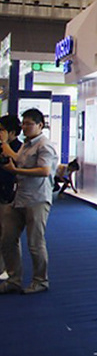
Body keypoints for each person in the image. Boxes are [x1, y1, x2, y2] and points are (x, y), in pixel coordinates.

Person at [0, 108, 58, 295]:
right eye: (23, 123)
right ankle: (13, 279)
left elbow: (44, 171)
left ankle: (40, 281)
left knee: (35, 243)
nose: (25, 127)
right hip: (20, 198)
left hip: (37, 199)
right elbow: (19, 160)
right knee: (8, 239)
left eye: (29, 124)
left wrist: (16, 171)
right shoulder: (26, 145)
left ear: (40, 125)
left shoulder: (45, 145)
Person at [0, 115, 23, 282]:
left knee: (9, 235)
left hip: (10, 196)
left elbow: (17, 166)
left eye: (2, 130)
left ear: (12, 132)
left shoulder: (19, 149)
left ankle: (10, 270)